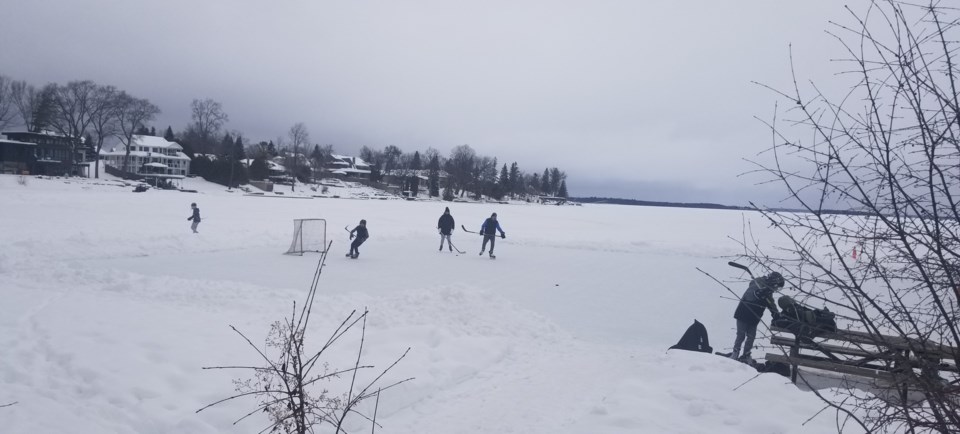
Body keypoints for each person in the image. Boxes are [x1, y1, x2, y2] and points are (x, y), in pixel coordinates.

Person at [728, 271, 784, 362]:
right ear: (773, 282)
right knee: (741, 335)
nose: (776, 289)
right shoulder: (757, 282)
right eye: (777, 287)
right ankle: (735, 352)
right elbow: (749, 294)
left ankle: (746, 354)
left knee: (751, 336)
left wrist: (775, 314)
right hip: (744, 312)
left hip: (754, 316)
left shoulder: (768, 292)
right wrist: (758, 293)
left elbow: (771, 303)